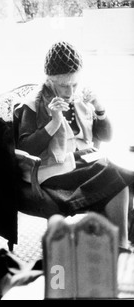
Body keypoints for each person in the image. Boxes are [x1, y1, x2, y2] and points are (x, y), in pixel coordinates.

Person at [14, 41, 134, 250]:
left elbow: (105, 137)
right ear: (50, 81)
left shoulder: (80, 99)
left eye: (74, 84)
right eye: (64, 85)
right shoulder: (34, 104)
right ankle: (120, 247)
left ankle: (118, 244)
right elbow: (26, 149)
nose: (70, 91)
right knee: (116, 176)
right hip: (51, 170)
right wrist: (54, 122)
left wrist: (99, 109)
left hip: (80, 163)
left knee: (127, 177)